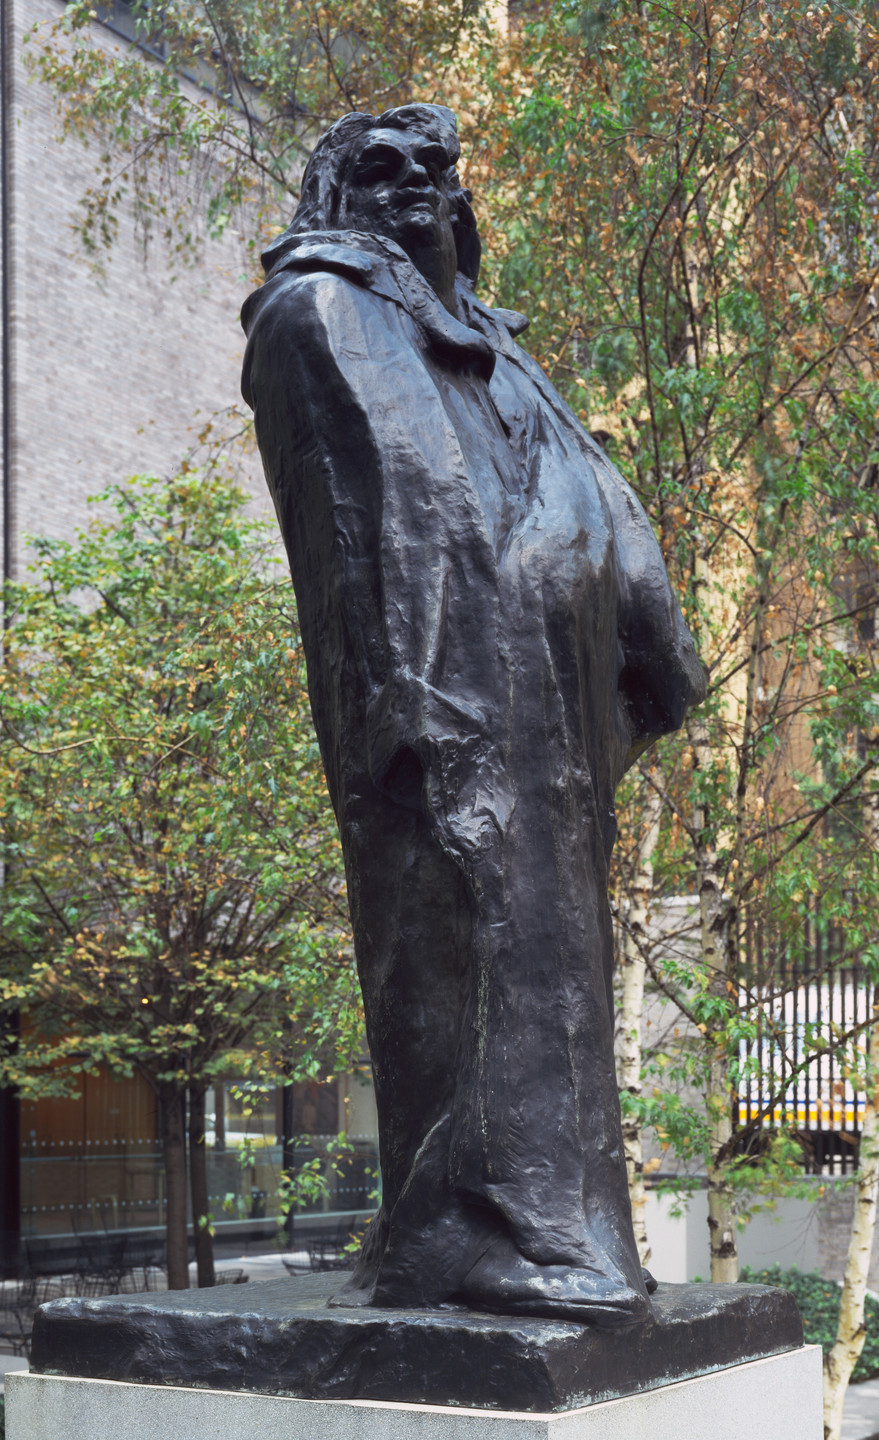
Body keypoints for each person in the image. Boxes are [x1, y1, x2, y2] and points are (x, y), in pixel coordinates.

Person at [241, 103, 705, 1328]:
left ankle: (554, 1227)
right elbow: (383, 512)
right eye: (379, 171)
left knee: (554, 967)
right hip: (442, 709)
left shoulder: (494, 344)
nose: (414, 188)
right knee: (470, 946)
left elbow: (592, 486)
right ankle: (481, 1234)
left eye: (434, 170)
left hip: (546, 707)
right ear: (337, 199)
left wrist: (648, 627)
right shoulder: (321, 311)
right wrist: (413, 704)